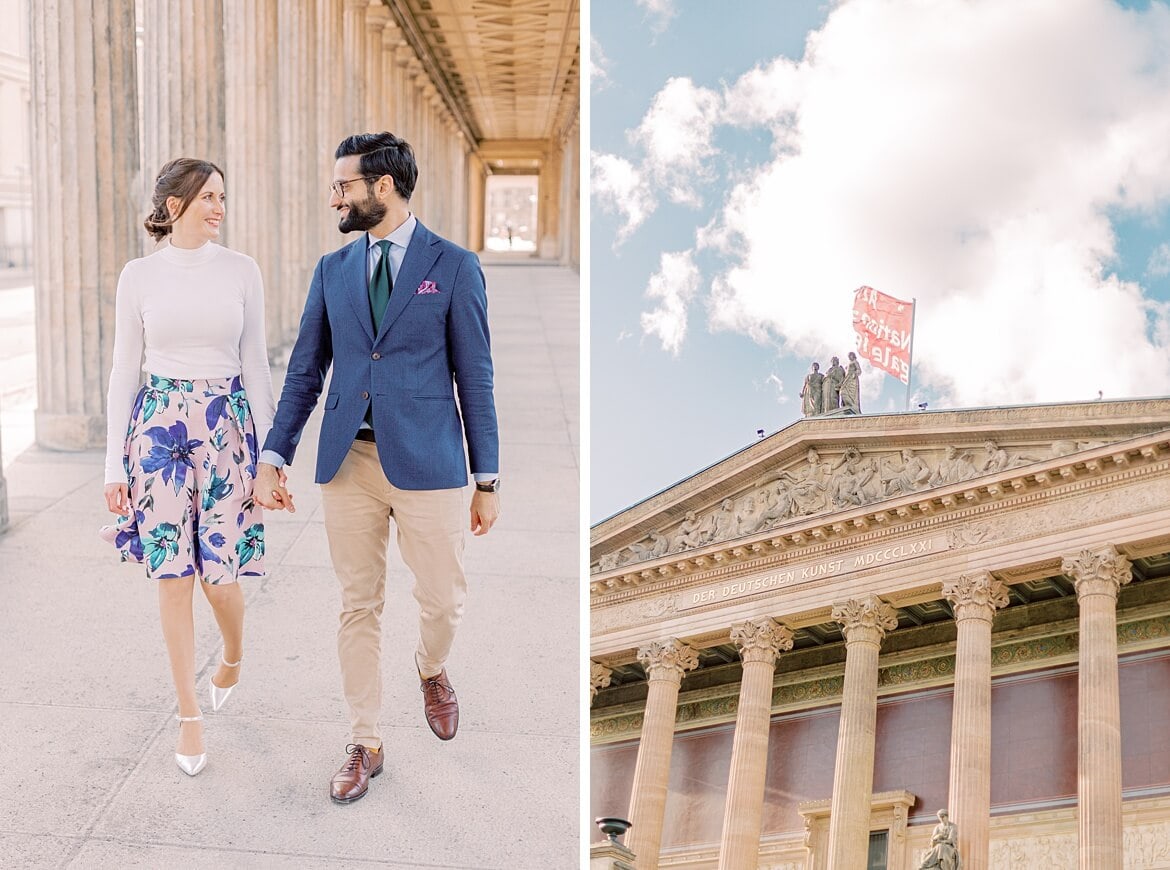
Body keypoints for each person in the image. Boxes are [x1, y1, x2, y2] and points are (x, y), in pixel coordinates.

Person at [254, 132, 500, 805]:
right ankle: (364, 742)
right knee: (357, 604)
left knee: (442, 600)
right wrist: (274, 456)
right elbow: (306, 370)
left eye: (345, 186)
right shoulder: (333, 269)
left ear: (382, 187)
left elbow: (474, 376)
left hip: (430, 463)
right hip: (348, 463)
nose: (334, 197)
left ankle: (432, 667)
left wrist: (487, 477)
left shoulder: (453, 266)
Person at [100, 158, 276, 777]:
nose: (218, 206)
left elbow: (256, 365)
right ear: (173, 204)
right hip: (158, 432)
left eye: (222, 196)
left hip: (227, 428)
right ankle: (188, 716)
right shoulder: (138, 276)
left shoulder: (242, 271)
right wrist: (113, 465)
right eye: (206, 196)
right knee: (172, 576)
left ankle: (232, 652)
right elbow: (125, 370)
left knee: (218, 579)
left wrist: (270, 458)